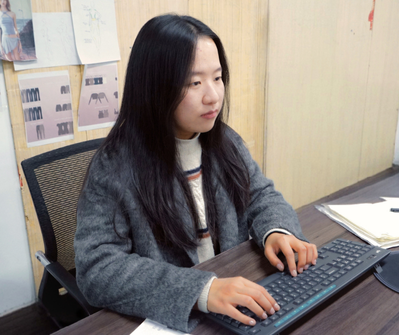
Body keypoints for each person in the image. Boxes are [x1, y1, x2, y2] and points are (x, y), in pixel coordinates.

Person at [75, 14, 318, 333]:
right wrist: (201, 290)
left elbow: (260, 195)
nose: (213, 96)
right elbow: (97, 269)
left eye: (217, 78)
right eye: (194, 82)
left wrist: (277, 231)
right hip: (175, 315)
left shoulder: (225, 141)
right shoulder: (115, 166)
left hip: (235, 299)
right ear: (155, 87)